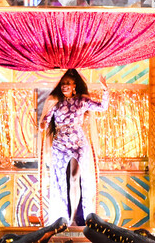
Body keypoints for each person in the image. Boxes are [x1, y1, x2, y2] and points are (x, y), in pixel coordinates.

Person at [39, 69, 109, 225]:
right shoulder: (55, 103)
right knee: (59, 180)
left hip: (77, 143)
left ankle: (75, 217)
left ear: (74, 85)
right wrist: (42, 124)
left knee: (75, 177)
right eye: (63, 84)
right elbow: (46, 120)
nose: (64, 86)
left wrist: (105, 89)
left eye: (68, 83)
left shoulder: (81, 101)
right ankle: (61, 215)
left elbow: (102, 107)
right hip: (60, 145)